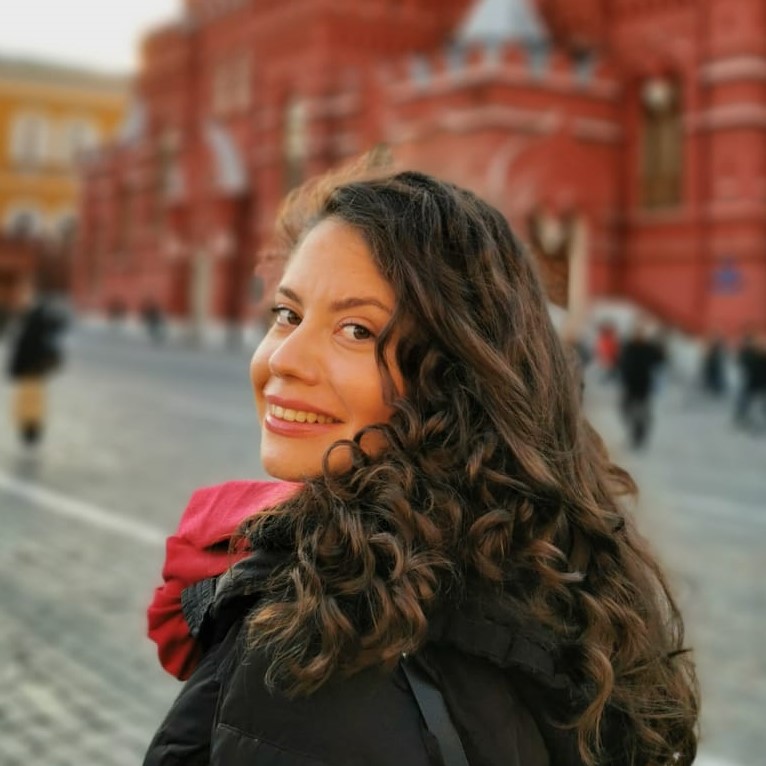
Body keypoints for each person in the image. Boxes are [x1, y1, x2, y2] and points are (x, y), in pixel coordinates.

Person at [144, 168, 698, 766]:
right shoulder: (547, 566)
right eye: (287, 313)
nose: (284, 358)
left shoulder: (319, 649)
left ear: (452, 378)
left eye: (356, 330)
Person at [5, 282, 68, 446]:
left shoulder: (35, 319)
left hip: (31, 368)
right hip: (32, 368)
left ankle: (30, 432)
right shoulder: (32, 318)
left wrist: (16, 367)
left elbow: (27, 347)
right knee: (31, 399)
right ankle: (30, 431)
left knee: (30, 400)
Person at [617, 322, 666, 449]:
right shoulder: (629, 347)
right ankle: (634, 435)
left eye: (641, 333)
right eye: (637, 332)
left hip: (643, 386)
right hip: (630, 386)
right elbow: (620, 362)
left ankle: (639, 437)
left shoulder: (648, 348)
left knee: (642, 414)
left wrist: (661, 342)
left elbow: (660, 359)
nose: (639, 335)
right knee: (626, 411)